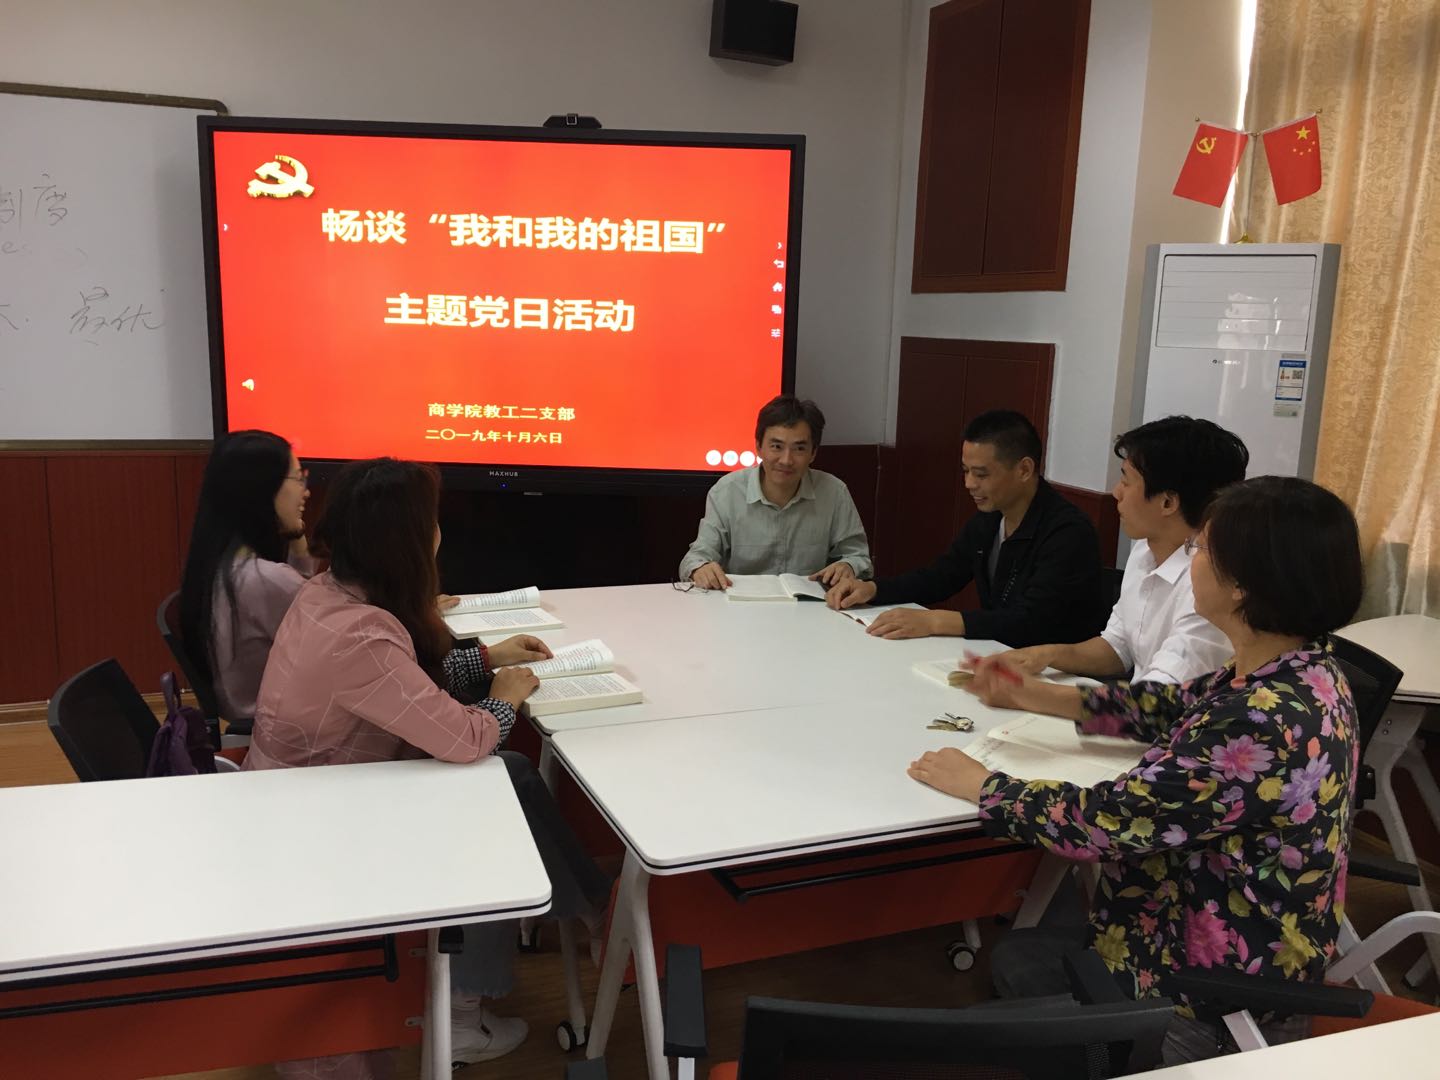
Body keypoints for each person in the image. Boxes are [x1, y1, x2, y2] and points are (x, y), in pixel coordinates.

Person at [907, 476, 1365, 1063]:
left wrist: (985, 787)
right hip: (1216, 931)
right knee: (1020, 960)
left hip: (1208, 998)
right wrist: (1032, 694)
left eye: (1203, 549)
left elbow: (1107, 823)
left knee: (967, 1034)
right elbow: (1167, 706)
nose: (1192, 560)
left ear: (1243, 586)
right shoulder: (1303, 669)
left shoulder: (1259, 721)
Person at [246, 458, 610, 1073]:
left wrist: (485, 659)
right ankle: (464, 1015)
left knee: (515, 774)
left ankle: (594, 912)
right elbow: (465, 737)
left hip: (307, 794)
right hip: (321, 822)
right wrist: (506, 695)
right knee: (491, 801)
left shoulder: (330, 592)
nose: (440, 533)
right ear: (406, 539)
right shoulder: (361, 634)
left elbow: (405, 683)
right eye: (430, 521)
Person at [178, 430, 522, 730]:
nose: (306, 491)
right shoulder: (277, 585)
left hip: (278, 713)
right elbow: (461, 733)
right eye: (297, 478)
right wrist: (502, 698)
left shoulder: (233, 567)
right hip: (295, 720)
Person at [997, 416, 1249, 698]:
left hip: (1172, 721)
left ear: (1167, 502)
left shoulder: (1211, 585)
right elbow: (1118, 646)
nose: (1116, 492)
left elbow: (1156, 702)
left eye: (1126, 481)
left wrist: (1026, 693)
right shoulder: (1145, 549)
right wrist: (1045, 655)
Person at [827, 410, 1102, 646]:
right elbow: (941, 576)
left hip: (1055, 669)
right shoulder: (990, 518)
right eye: (965, 471)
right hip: (999, 654)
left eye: (981, 474)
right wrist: (873, 589)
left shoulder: (1068, 532)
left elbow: (1031, 620)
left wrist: (934, 621)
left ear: (1024, 470)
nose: (969, 484)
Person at [679, 394, 872, 590]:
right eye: (776, 447)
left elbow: (858, 557)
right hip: (742, 604)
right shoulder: (727, 492)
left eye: (799, 449)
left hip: (810, 604)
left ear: (813, 453)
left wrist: (848, 566)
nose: (786, 460)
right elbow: (696, 557)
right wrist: (701, 568)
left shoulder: (834, 492)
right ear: (758, 447)